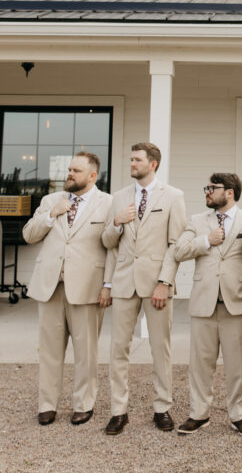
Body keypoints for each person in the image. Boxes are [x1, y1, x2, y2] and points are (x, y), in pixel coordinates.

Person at [102, 142, 186, 435]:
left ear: (153, 164)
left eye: (137, 160)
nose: (131, 163)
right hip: (124, 282)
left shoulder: (174, 196)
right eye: (130, 159)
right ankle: (118, 410)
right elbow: (107, 242)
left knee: (160, 348)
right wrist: (116, 222)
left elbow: (176, 245)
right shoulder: (119, 197)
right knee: (118, 349)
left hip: (156, 285)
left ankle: (162, 408)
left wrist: (165, 283)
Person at [23, 152, 112, 426]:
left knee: (86, 352)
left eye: (76, 170)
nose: (69, 174)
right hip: (50, 286)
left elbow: (112, 249)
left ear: (92, 176)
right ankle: (47, 405)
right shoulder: (51, 201)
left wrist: (107, 285)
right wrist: (51, 215)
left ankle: (84, 404)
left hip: (87, 287)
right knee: (49, 351)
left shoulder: (108, 204)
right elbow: (29, 234)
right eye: (69, 169)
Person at [174, 173, 242, 437]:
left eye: (212, 188)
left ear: (230, 192)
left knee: (237, 364)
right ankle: (198, 414)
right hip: (203, 302)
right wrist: (206, 240)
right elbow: (179, 251)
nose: (207, 192)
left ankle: (239, 415)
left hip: (238, 302)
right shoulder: (198, 221)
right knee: (200, 363)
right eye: (206, 187)